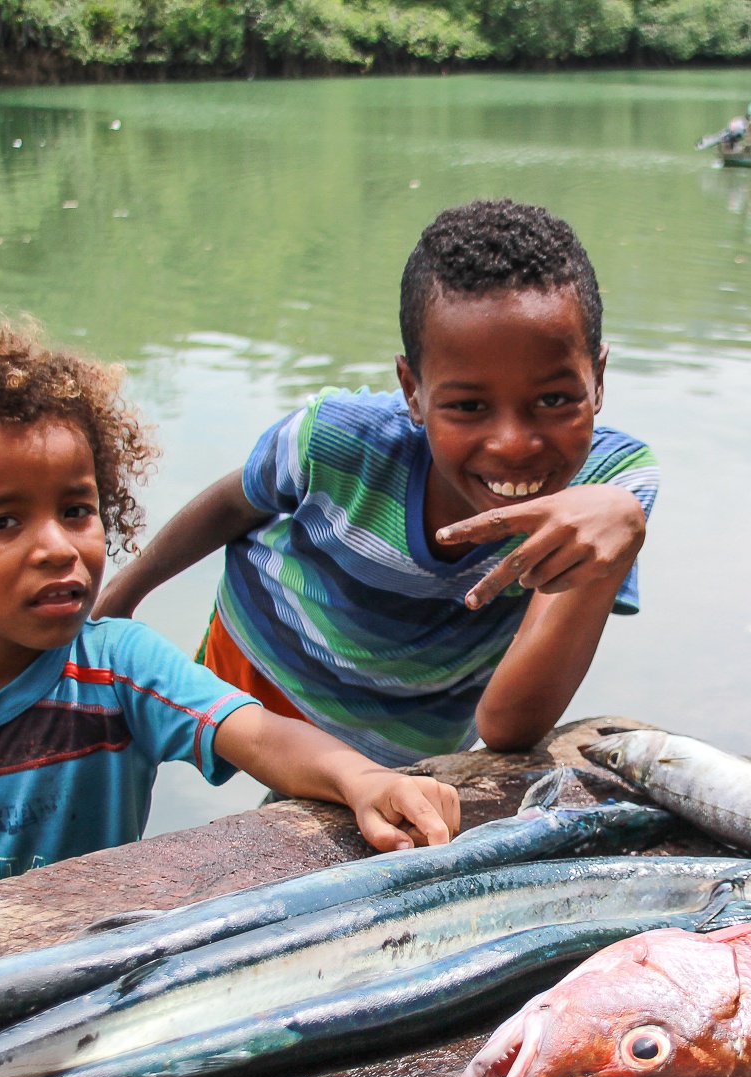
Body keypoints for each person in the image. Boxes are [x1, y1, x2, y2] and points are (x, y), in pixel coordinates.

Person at [0, 319, 460, 923]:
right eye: (3, 522)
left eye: (75, 510)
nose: (59, 548)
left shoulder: (119, 666)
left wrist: (364, 777)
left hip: (88, 977)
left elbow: (261, 736)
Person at [94, 200, 658, 768]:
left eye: (554, 400)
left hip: (401, 742)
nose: (513, 444)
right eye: (467, 406)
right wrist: (121, 596)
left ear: (599, 378)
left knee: (329, 811)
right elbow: (233, 504)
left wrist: (622, 532)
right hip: (268, 666)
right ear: (412, 390)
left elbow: (509, 725)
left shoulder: (612, 489)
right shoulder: (337, 438)